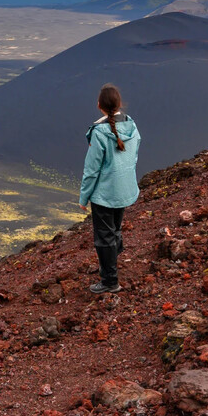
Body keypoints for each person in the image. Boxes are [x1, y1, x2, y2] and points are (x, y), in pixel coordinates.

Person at [79, 84, 140, 293]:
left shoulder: (99, 132)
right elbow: (134, 156)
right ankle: (111, 258)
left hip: (105, 194)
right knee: (114, 229)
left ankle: (110, 281)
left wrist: (84, 197)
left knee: (104, 236)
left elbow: (91, 169)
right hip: (124, 190)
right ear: (119, 104)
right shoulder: (131, 126)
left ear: (99, 106)